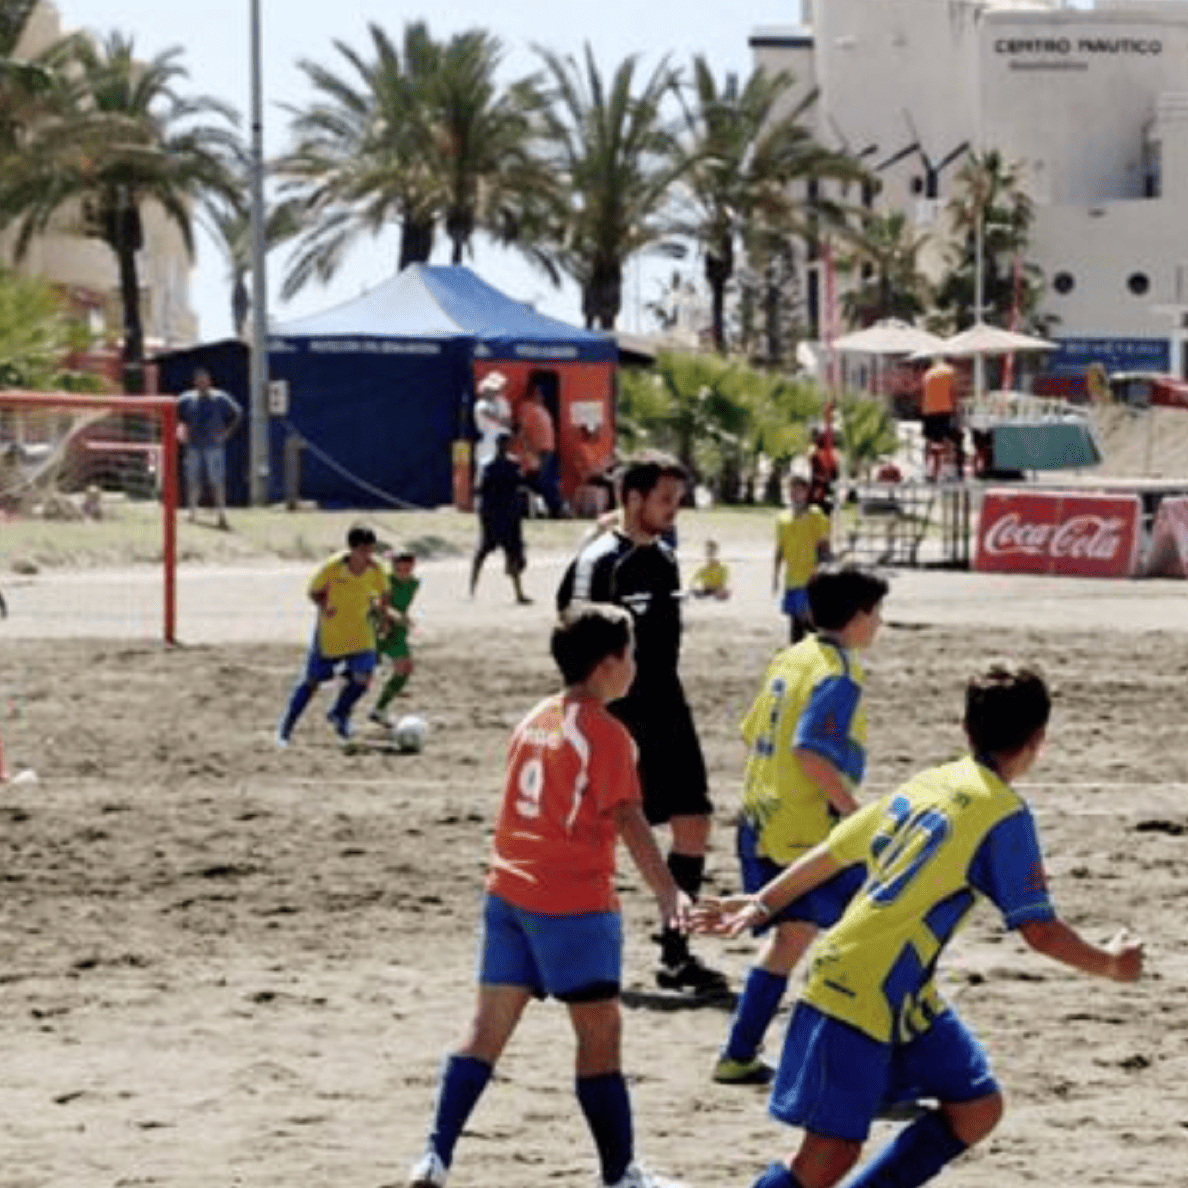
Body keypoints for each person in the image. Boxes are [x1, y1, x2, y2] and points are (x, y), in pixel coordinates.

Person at [694, 662, 1144, 1188]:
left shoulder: (935, 779)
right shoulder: (1004, 815)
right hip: (857, 988)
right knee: (831, 1153)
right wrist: (1111, 964)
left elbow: (835, 849)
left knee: (976, 1106)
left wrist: (765, 901)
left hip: (903, 995)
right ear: (1039, 739)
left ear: (966, 728)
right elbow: (1039, 931)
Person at [406, 605, 690, 1188]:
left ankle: (434, 1158)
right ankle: (620, 1175)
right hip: (571, 908)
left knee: (485, 1033)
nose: (634, 665)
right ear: (608, 664)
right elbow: (630, 819)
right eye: (630, 655)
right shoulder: (607, 735)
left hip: (508, 895)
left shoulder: (535, 718)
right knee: (600, 1037)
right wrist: (669, 893)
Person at [557, 450, 727, 997]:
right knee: (599, 834)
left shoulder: (667, 559)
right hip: (617, 716)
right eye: (664, 500)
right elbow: (570, 634)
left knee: (694, 821)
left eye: (678, 500)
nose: (673, 510)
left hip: (668, 709)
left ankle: (675, 956)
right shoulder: (601, 560)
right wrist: (591, 713)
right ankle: (561, 945)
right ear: (632, 498)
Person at [712, 566, 887, 1086]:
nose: (880, 622)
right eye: (876, 612)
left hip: (760, 818)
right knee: (877, 935)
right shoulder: (839, 672)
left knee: (792, 938)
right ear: (856, 618)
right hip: (806, 832)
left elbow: (753, 732)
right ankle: (858, 1067)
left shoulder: (792, 657)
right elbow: (809, 750)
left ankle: (739, 1053)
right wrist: (851, 812)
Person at [275, 524, 389, 747]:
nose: (368, 556)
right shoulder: (334, 566)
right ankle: (286, 728)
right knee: (311, 682)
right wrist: (324, 605)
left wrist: (383, 620)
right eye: (364, 551)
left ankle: (339, 713)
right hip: (331, 633)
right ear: (352, 549)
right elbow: (313, 591)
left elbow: (384, 593)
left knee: (364, 678)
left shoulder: (376, 569)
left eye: (371, 550)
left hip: (360, 633)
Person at [176, 367, 241, 529]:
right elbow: (176, 414)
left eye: (204, 380)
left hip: (214, 446)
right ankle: (192, 513)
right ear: (195, 382)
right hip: (193, 445)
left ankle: (221, 515)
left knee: (217, 481)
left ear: (209, 381)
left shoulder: (220, 398)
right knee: (193, 480)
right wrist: (180, 429)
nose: (201, 383)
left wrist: (226, 433)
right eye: (199, 381)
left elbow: (237, 413)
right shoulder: (186, 399)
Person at [774, 465, 832, 645]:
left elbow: (824, 547)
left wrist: (824, 574)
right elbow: (780, 549)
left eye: (799, 489)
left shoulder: (816, 516)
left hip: (811, 579)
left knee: (813, 625)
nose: (794, 493)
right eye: (792, 489)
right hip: (792, 579)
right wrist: (775, 576)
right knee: (795, 627)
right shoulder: (782, 518)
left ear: (807, 492)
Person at [471, 434, 531, 605]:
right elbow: (480, 490)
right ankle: (472, 590)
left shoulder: (497, 465)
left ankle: (518, 593)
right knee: (485, 552)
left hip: (504, 514)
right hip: (498, 513)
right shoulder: (495, 465)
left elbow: (479, 489)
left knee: (508, 553)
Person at [368, 548, 420, 728]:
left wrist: (404, 618)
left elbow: (402, 606)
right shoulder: (385, 580)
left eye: (409, 565)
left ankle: (379, 709)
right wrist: (392, 614)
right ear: (395, 565)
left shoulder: (414, 583)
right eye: (401, 565)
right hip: (374, 628)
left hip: (396, 632)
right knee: (360, 676)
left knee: (405, 669)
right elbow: (374, 602)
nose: (405, 569)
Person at [516, 380, 566, 517]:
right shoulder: (527, 407)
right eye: (539, 393)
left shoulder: (540, 408)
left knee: (548, 481)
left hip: (547, 450)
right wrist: (528, 451)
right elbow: (523, 431)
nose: (541, 396)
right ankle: (555, 509)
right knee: (544, 481)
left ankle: (555, 508)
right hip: (538, 451)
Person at [921, 355, 964, 481]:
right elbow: (953, 392)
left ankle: (930, 471)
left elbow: (922, 394)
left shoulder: (927, 374)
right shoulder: (950, 372)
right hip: (946, 411)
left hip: (929, 412)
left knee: (931, 443)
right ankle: (954, 471)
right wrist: (957, 408)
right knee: (954, 441)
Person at [472, 371, 513, 478]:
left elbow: (508, 422)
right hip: (486, 443)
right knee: (483, 468)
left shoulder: (502, 403)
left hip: (500, 443)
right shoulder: (480, 405)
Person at [807, 429, 839, 515]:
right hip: (817, 492)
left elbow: (835, 476)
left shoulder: (830, 458)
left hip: (822, 492)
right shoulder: (815, 456)